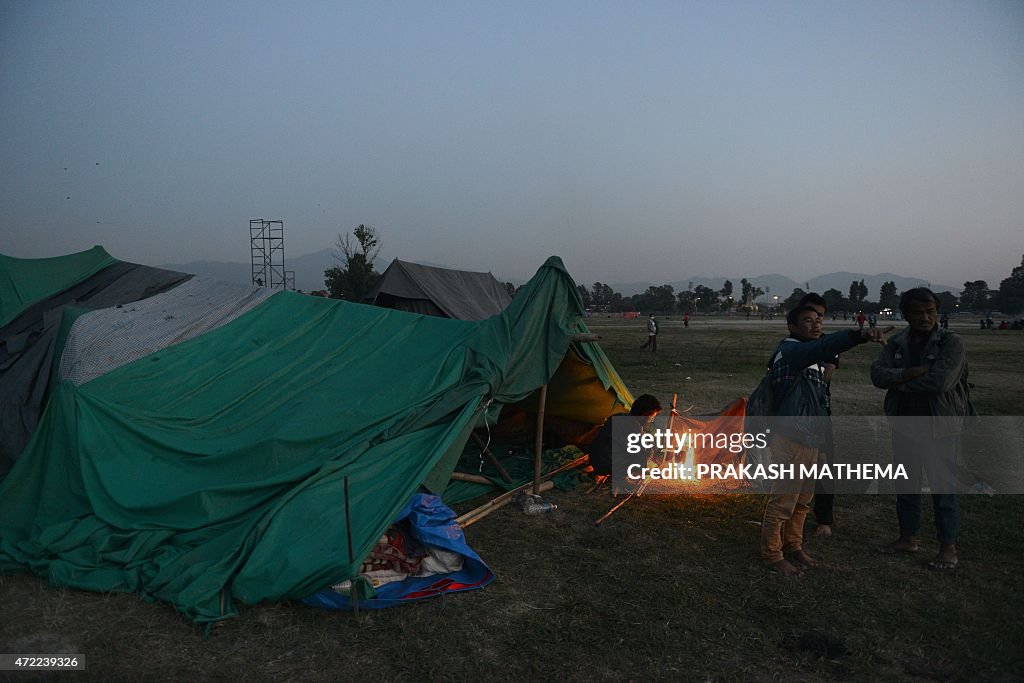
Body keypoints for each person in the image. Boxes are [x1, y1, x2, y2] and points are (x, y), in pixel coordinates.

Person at [760, 305, 888, 576]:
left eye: (819, 320)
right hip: (790, 436)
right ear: (792, 327)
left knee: (803, 499)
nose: (816, 325)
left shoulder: (812, 358)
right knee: (783, 500)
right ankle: (772, 554)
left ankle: (793, 545)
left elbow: (818, 403)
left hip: (809, 436)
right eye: (808, 320)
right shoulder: (792, 351)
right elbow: (822, 348)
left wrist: (820, 445)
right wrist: (859, 336)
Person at [871, 288, 974, 572]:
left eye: (931, 312)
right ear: (907, 315)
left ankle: (948, 547)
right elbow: (877, 374)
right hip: (904, 422)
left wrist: (899, 381)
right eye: (918, 312)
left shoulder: (951, 343)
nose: (926, 317)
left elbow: (941, 382)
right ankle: (908, 538)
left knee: (943, 489)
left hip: (940, 424)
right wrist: (908, 373)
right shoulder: (897, 343)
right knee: (906, 484)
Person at [797, 293, 838, 538]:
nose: (815, 321)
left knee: (823, 465)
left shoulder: (828, 344)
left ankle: (824, 518)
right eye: (810, 315)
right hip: (792, 415)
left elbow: (825, 377)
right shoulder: (790, 344)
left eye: (820, 316)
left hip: (819, 413)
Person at [587, 394, 663, 482]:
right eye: (652, 417)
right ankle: (620, 476)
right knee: (648, 451)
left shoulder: (617, 416)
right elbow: (638, 456)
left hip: (594, 460)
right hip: (606, 465)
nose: (651, 421)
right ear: (644, 415)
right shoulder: (633, 427)